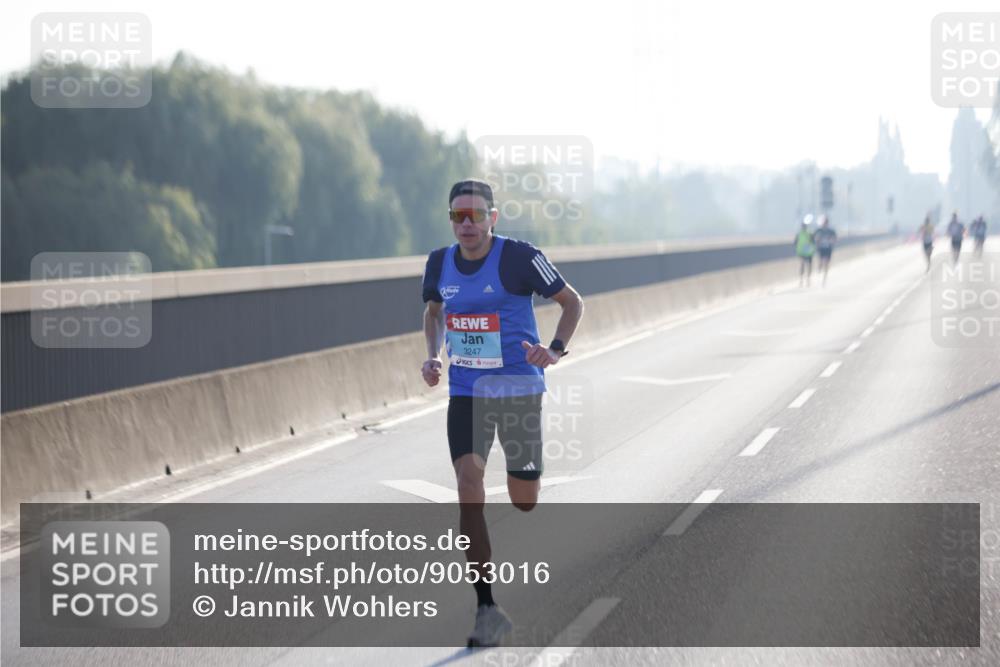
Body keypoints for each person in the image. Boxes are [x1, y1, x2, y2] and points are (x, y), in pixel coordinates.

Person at [420, 179, 584, 648]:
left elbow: (571, 302)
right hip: (468, 392)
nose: (466, 224)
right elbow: (434, 312)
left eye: (475, 215)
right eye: (458, 216)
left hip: (517, 389)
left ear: (494, 217)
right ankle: (487, 609)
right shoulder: (438, 263)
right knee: (468, 490)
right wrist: (433, 356)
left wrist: (553, 350)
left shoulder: (517, 257)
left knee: (524, 498)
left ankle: (529, 471)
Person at [813, 215, 838, 286]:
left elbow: (835, 238)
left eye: (826, 222)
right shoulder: (819, 230)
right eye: (824, 222)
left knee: (827, 263)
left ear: (827, 223)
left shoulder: (831, 231)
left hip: (828, 248)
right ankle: (819, 269)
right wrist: (817, 240)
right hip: (821, 248)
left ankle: (824, 277)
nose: (825, 223)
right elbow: (813, 238)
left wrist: (832, 240)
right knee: (821, 261)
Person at [794, 216, 816, 287]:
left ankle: (805, 279)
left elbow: (795, 242)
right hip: (805, 251)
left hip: (805, 251)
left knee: (805, 265)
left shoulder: (804, 234)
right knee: (805, 265)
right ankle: (804, 280)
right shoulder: (806, 233)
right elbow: (813, 242)